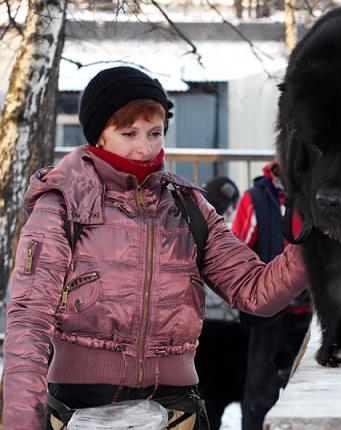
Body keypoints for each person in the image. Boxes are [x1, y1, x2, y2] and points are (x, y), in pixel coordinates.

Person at [2, 66, 307, 430]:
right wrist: (22, 421)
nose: (145, 147)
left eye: (155, 133)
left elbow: (255, 291)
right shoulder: (63, 205)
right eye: (128, 133)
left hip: (176, 410)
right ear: (98, 134)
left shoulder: (187, 206)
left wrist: (316, 243)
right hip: (82, 408)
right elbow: (29, 320)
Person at [231, 161, 312, 430]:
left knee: (306, 394)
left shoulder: (317, 197)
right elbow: (236, 252)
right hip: (268, 315)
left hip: (309, 315)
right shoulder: (255, 199)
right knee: (260, 393)